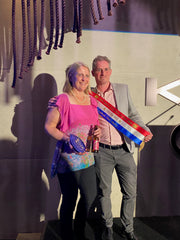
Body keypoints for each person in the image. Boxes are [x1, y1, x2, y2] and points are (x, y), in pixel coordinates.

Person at [90, 55, 153, 240]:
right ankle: (107, 227)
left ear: (110, 71)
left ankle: (128, 229)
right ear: (93, 73)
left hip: (124, 150)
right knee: (104, 193)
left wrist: (144, 131)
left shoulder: (122, 90)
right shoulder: (88, 95)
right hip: (101, 151)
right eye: (99, 69)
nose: (103, 73)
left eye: (106, 69)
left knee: (130, 192)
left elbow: (133, 113)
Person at [44, 62, 101, 240]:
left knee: (90, 196)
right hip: (68, 159)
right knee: (69, 198)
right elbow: (49, 126)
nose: (84, 78)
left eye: (86, 75)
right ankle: (67, 235)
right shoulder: (62, 99)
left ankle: (79, 231)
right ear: (71, 77)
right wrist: (67, 138)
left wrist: (98, 130)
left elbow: (94, 124)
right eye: (80, 74)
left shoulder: (92, 100)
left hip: (88, 158)